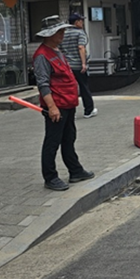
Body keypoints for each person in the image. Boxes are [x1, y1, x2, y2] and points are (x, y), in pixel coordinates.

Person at [33, 16, 95, 191]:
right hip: (57, 105)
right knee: (52, 142)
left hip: (68, 103)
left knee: (69, 138)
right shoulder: (42, 56)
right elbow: (43, 84)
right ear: (50, 34)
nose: (63, 34)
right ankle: (50, 177)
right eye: (59, 31)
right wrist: (51, 107)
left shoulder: (57, 51)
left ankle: (75, 170)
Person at [62, 13, 96, 118]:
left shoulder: (64, 33)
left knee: (69, 89)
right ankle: (88, 110)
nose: (82, 23)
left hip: (67, 66)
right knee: (84, 87)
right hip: (77, 65)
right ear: (76, 22)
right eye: (81, 21)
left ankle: (70, 112)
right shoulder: (80, 33)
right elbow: (81, 47)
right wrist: (83, 63)